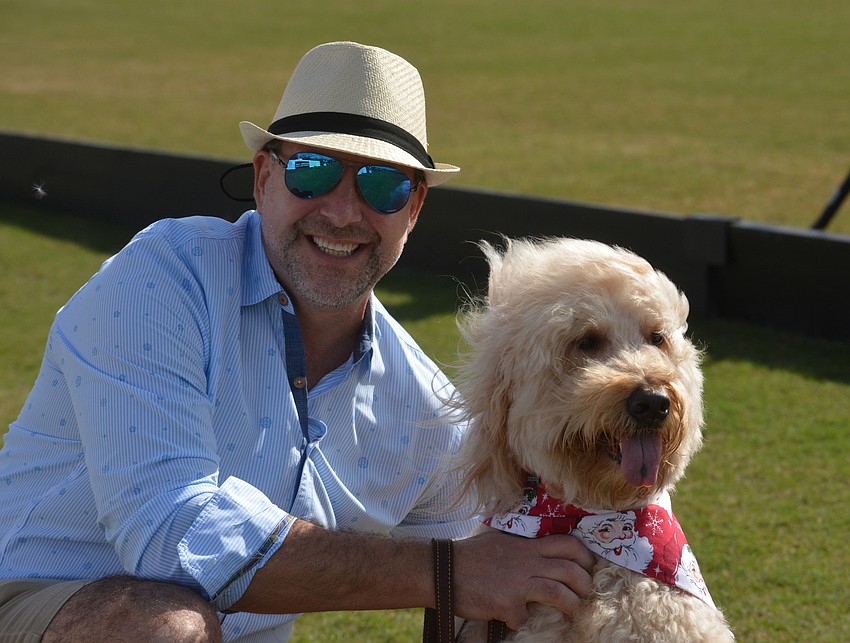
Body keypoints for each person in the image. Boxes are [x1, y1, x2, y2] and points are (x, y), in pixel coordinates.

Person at [0, 41, 593, 642]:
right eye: (313, 171)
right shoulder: (163, 279)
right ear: (264, 179)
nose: (342, 213)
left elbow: (489, 581)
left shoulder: (424, 409)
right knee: (164, 629)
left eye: (382, 185)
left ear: (413, 208)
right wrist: (445, 573)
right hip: (33, 600)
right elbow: (172, 533)